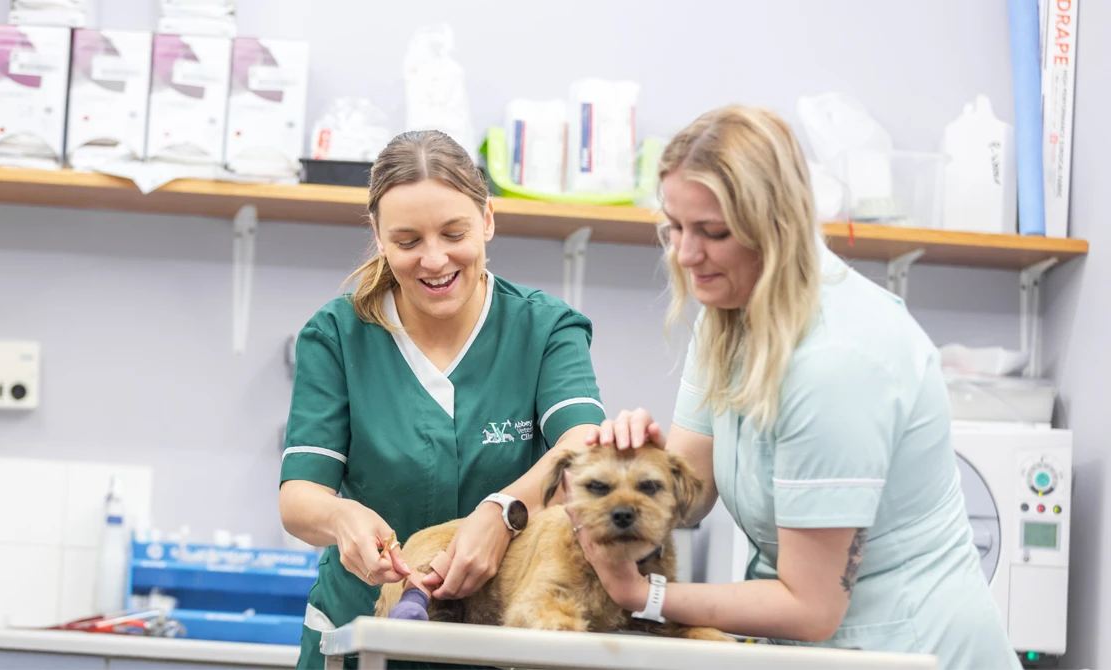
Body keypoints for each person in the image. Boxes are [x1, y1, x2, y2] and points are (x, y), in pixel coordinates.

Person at [567, 106, 1021, 669]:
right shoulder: (727, 312)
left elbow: (812, 608)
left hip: (905, 647)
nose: (685, 256)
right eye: (675, 227)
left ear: (775, 227)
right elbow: (693, 497)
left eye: (714, 232)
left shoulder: (838, 361)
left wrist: (644, 596)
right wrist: (644, 470)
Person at [278, 129, 607, 669]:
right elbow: (299, 498)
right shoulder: (338, 335)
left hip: (498, 634)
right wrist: (342, 520)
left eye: (454, 233)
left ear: (489, 221)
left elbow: (585, 445)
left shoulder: (544, 328)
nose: (434, 260)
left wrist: (504, 512)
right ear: (379, 238)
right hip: (363, 631)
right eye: (407, 242)